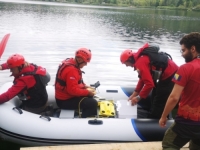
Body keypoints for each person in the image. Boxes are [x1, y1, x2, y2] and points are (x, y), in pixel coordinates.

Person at [159, 32, 200, 150]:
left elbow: (174, 97)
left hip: (186, 122)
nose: (182, 54)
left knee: (169, 144)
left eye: (183, 50)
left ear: (193, 49)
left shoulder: (184, 69)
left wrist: (163, 116)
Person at [120, 43, 178, 119]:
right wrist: (135, 93)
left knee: (160, 97)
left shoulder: (140, 63)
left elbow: (149, 84)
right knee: (155, 93)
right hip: (171, 73)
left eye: (125, 63)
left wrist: (138, 98)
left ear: (129, 59)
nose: (126, 66)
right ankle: (157, 112)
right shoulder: (140, 59)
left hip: (174, 76)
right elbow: (142, 79)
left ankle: (156, 117)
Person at [55, 48, 97, 118]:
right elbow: (72, 90)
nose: (86, 65)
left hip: (66, 97)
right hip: (64, 101)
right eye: (85, 62)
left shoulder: (71, 63)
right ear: (79, 60)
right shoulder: (71, 70)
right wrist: (87, 92)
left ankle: (81, 111)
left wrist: (85, 86)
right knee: (92, 103)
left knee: (90, 96)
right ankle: (85, 121)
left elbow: (76, 83)